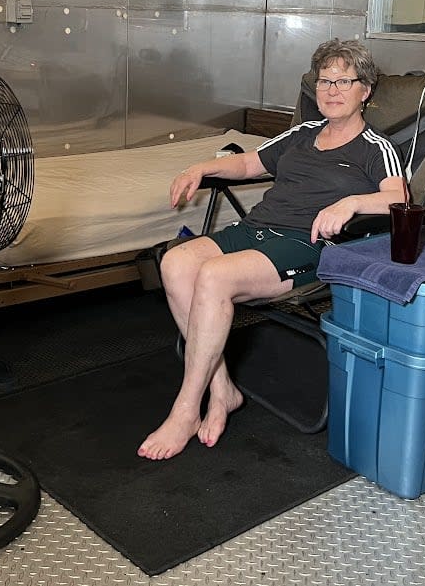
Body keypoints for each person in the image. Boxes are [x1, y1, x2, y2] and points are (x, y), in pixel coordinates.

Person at [138, 38, 406, 460]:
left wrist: (350, 202)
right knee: (175, 262)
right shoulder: (303, 133)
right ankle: (221, 388)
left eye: (343, 81)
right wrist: (200, 166)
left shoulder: (376, 148)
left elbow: (400, 199)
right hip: (256, 230)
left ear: (365, 90)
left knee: (213, 276)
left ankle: (186, 409)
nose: (332, 91)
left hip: (305, 244)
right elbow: (248, 164)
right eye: (324, 82)